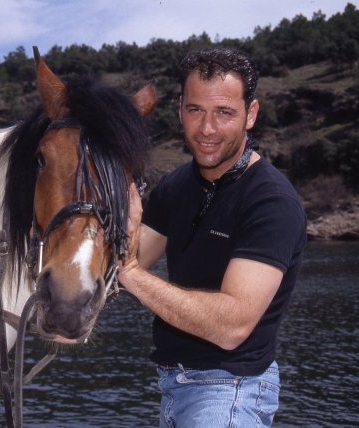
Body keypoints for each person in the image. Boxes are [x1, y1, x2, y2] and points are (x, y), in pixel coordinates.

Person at [118, 47, 307, 427]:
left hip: (231, 391)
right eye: (195, 110)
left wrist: (131, 274)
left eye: (224, 112)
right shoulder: (174, 187)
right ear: (180, 111)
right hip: (174, 387)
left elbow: (232, 326)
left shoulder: (272, 201)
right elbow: (119, 264)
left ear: (250, 114)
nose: (206, 129)